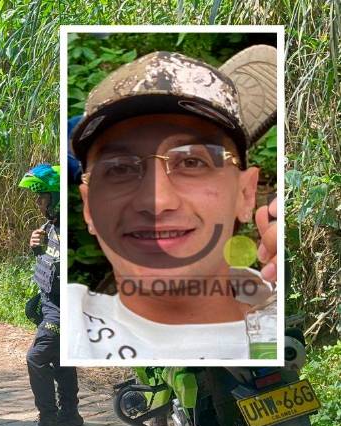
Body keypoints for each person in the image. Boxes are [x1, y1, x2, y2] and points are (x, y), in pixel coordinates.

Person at [65, 45, 278, 363]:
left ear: (245, 194)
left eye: (192, 162)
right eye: (119, 168)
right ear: (88, 208)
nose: (156, 201)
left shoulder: (283, 316)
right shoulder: (68, 324)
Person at [21, 164, 84, 426]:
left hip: (66, 309)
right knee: (60, 355)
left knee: (36, 357)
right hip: (51, 304)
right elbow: (50, 263)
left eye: (42, 196)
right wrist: (38, 248)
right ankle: (69, 412)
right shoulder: (51, 227)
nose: (38, 203)